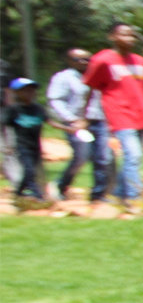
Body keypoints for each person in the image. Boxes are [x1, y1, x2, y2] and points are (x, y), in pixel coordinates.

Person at [83, 22, 143, 206]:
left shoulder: (141, 62)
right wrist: (84, 115)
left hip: (140, 114)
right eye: (124, 34)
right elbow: (90, 87)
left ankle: (119, 193)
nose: (129, 39)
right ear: (112, 37)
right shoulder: (103, 60)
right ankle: (133, 196)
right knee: (133, 155)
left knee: (133, 157)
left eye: (132, 35)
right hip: (119, 114)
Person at [46, 47, 107, 203]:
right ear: (69, 61)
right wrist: (71, 119)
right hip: (76, 123)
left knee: (102, 157)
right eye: (78, 59)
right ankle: (61, 185)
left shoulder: (99, 76)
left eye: (87, 59)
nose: (84, 62)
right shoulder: (63, 78)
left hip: (98, 120)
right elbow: (56, 101)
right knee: (82, 156)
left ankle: (98, 194)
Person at [7, 76, 47, 198]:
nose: (30, 93)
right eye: (25, 90)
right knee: (30, 170)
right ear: (17, 93)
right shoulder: (14, 109)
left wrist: (70, 129)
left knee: (30, 171)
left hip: (36, 146)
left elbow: (50, 122)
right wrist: (9, 145)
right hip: (22, 145)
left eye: (32, 90)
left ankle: (18, 192)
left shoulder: (38, 109)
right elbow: (7, 128)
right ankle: (37, 195)